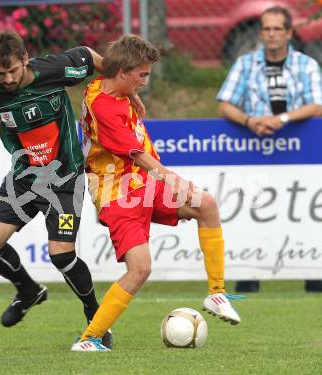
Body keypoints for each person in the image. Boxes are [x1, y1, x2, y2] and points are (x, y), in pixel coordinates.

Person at [71, 34, 241, 352]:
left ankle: (217, 293)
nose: (146, 82)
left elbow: (96, 58)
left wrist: (131, 94)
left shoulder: (106, 83)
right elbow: (139, 155)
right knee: (140, 270)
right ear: (122, 72)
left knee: (206, 204)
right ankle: (89, 339)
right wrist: (174, 181)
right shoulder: (104, 108)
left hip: (141, 185)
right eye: (142, 75)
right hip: (117, 194)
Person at [0, 30, 139, 347]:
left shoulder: (54, 70)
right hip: (24, 178)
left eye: (13, 70)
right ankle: (28, 290)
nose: (7, 79)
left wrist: (124, 91)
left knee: (61, 256)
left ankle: (95, 316)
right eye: (1, 73)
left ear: (25, 59)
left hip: (65, 179)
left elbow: (89, 56)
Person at [217, 6, 322, 293]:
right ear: (261, 33)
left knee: (305, 215)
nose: (271, 34)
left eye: (277, 29)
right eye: (266, 29)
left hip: (301, 155)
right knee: (254, 214)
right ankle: (248, 281)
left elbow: (316, 105)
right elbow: (225, 104)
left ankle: (314, 279)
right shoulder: (245, 64)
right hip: (255, 152)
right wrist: (249, 120)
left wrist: (282, 119)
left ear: (289, 33)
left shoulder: (306, 65)